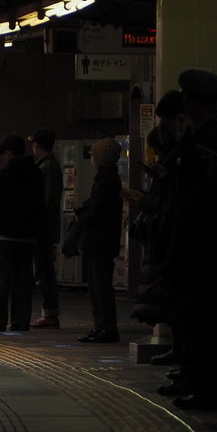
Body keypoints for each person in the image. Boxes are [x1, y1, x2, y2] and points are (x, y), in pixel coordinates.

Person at [165, 70, 217, 411]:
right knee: (199, 319)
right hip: (200, 244)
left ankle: (209, 389)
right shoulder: (200, 135)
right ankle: (200, 382)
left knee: (207, 321)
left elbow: (200, 197)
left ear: (192, 102)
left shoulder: (211, 138)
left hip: (204, 246)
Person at [0, 134, 46, 332]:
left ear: (8, 153)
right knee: (23, 278)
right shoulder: (36, 173)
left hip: (4, 235)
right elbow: (41, 204)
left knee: (2, 278)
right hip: (27, 235)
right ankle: (21, 320)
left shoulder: (5, 174)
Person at [76, 137, 124, 343]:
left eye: (93, 155)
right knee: (98, 287)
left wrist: (82, 218)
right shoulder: (110, 179)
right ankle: (102, 326)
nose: (92, 158)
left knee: (100, 287)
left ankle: (106, 327)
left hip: (99, 241)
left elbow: (98, 212)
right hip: (104, 240)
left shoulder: (105, 181)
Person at [28, 128, 63, 328]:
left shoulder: (47, 167)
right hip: (44, 227)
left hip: (42, 228)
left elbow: (48, 200)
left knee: (43, 270)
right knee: (42, 269)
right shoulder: (46, 166)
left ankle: (50, 313)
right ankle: (49, 312)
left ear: (37, 145)